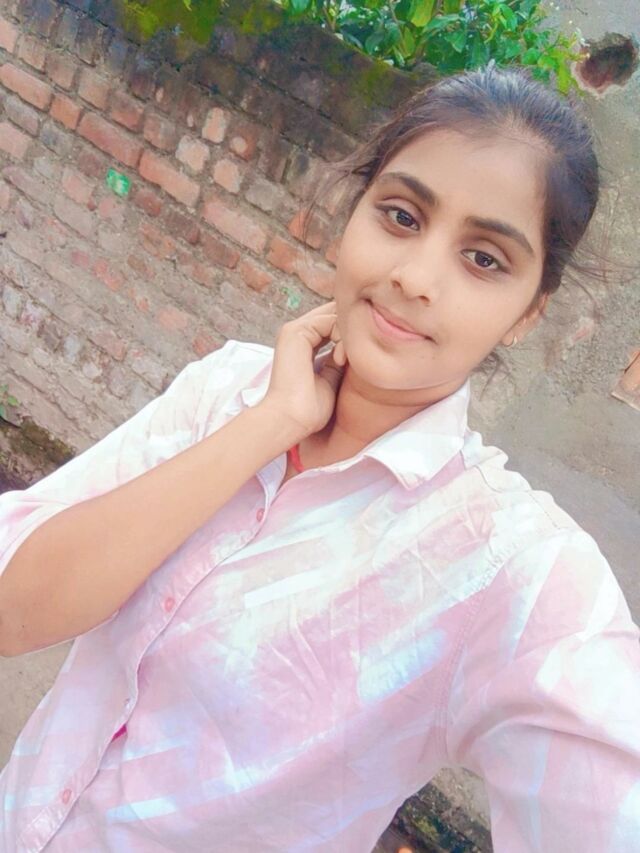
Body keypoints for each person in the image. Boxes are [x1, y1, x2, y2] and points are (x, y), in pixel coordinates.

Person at [0, 63, 639, 852]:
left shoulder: (509, 567)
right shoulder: (227, 389)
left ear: (527, 313)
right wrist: (269, 423)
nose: (414, 276)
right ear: (355, 213)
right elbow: (14, 607)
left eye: (484, 259)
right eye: (401, 216)